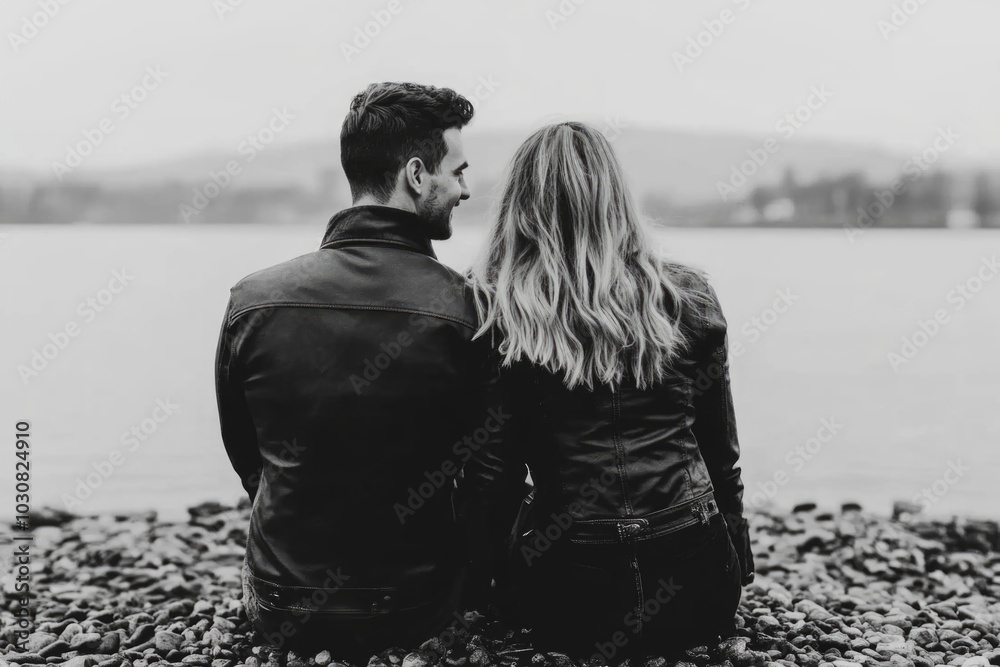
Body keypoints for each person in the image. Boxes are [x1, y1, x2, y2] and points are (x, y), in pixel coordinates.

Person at [462, 121, 755, 660]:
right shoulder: (686, 294)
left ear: (519, 205)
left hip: (571, 597)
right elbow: (719, 448)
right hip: (698, 586)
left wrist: (480, 581)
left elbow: (491, 474)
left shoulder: (496, 307)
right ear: (616, 197)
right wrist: (736, 544)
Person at [215, 81, 485, 658]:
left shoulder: (254, 299)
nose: (467, 189)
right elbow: (487, 468)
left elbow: (247, 453)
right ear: (416, 175)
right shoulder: (467, 309)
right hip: (416, 606)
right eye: (458, 171)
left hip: (282, 601)